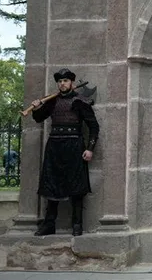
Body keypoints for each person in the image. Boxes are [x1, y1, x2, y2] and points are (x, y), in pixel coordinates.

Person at [30, 68, 99, 236]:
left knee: (77, 186)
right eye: (60, 81)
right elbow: (39, 118)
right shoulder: (52, 101)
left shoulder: (80, 101)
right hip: (54, 146)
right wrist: (36, 108)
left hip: (74, 146)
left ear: (71, 83)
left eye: (65, 81)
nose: (62, 84)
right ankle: (49, 225)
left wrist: (89, 149)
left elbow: (94, 127)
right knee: (51, 184)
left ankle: (77, 224)